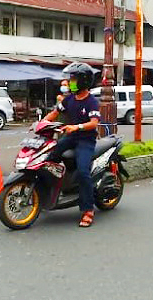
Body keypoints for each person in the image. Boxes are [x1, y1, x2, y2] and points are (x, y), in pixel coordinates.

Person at [43, 62, 100, 228]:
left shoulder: (91, 101)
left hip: (85, 140)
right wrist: (41, 123)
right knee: (49, 156)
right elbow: (54, 113)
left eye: (73, 79)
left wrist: (77, 126)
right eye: (70, 78)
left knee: (83, 171)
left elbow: (94, 122)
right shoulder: (69, 100)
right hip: (71, 137)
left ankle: (88, 210)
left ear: (83, 80)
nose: (70, 82)